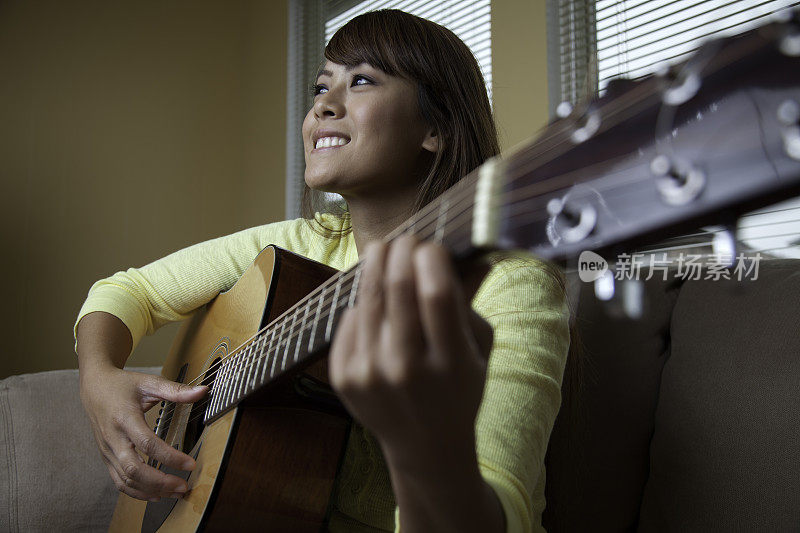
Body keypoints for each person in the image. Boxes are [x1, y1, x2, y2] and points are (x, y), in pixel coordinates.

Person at [75, 9, 570, 533]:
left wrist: (419, 442)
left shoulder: (509, 285)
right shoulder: (299, 247)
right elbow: (130, 290)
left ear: (435, 127)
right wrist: (98, 379)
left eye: (361, 81)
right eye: (320, 86)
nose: (323, 107)